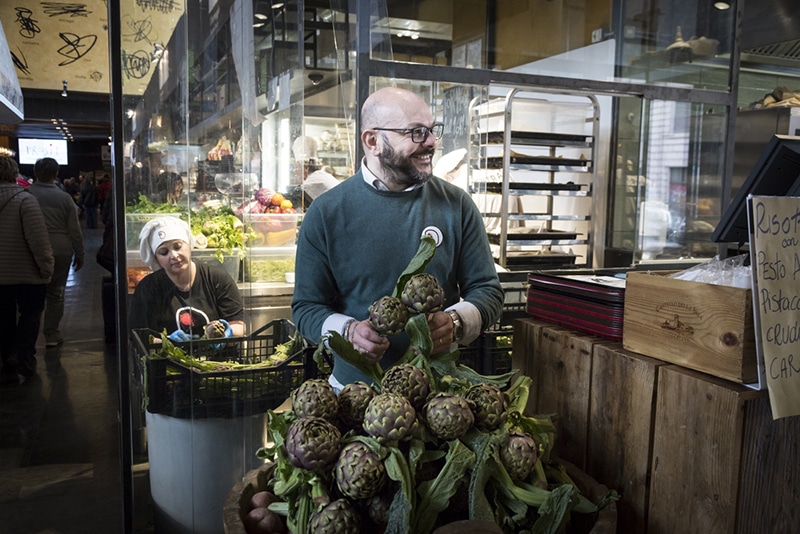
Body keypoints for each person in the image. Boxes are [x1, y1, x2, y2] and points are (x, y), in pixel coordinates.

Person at [291, 87, 504, 391]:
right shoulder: (326, 213)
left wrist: (457, 322)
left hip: (441, 394)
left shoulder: (457, 205)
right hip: (353, 395)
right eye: (415, 132)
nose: (430, 142)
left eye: (432, 130)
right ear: (372, 141)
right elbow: (306, 308)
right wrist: (348, 332)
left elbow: (488, 292)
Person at [128, 216, 245, 341]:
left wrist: (228, 332)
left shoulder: (217, 279)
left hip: (219, 358)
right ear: (156, 258)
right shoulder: (148, 288)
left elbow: (239, 326)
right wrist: (167, 343)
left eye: (178, 246)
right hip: (168, 360)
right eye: (164, 252)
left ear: (189, 246)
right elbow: (139, 336)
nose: (173, 255)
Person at [0, 155, 54, 380]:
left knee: (3, 319)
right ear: (15, 174)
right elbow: (38, 240)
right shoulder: (25, 200)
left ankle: (7, 363)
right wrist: (46, 268)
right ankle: (22, 354)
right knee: (31, 314)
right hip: (26, 273)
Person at [29, 157, 85, 347]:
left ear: (36, 172)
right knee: (56, 293)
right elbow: (74, 230)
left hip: (31, 249)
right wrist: (80, 253)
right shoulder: (64, 198)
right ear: (56, 174)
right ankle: (51, 334)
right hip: (61, 249)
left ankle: (27, 336)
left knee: (32, 293)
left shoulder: (26, 195)